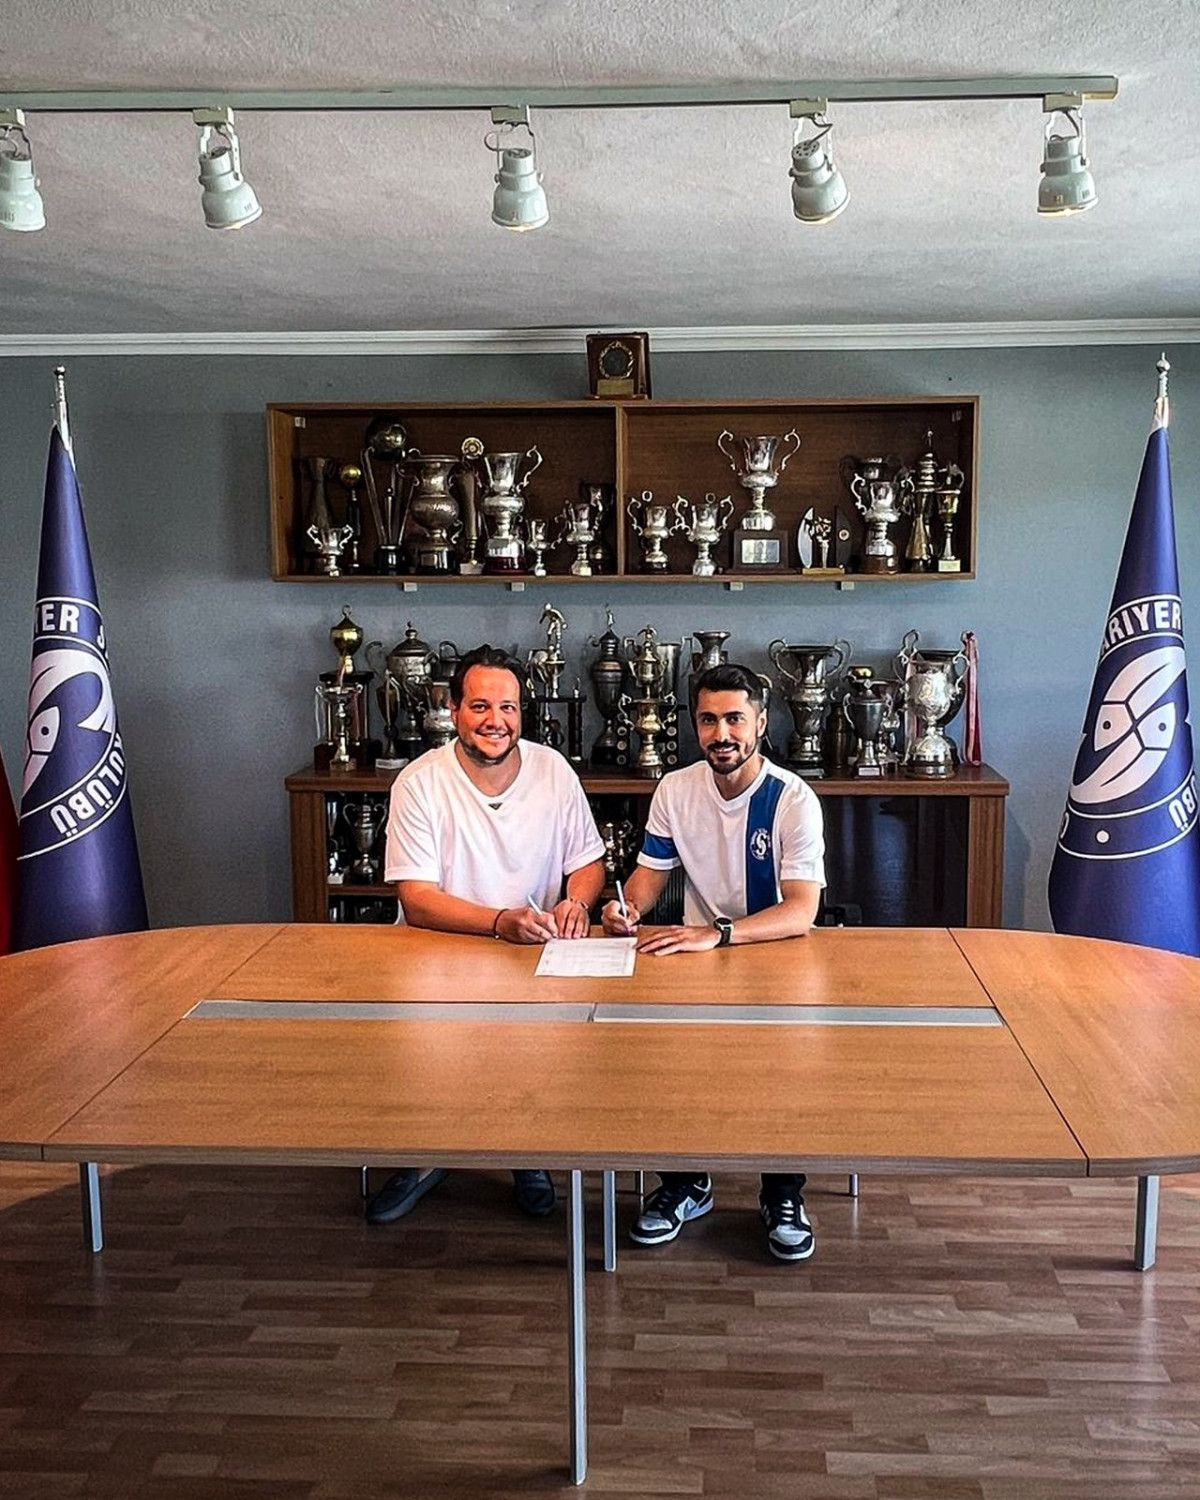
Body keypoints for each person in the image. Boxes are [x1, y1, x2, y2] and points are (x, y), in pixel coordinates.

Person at [367, 644, 606, 1226]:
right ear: (453, 710)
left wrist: (577, 902)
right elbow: (417, 899)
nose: (495, 720)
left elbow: (587, 861)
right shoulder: (420, 782)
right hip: (439, 956)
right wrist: (500, 922)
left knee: (532, 1069)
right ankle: (425, 1159)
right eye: (479, 706)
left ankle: (526, 1156)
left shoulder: (553, 770)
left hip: (535, 954)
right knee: (435, 1073)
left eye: (508, 707)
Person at [602, 663, 826, 1262]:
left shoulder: (792, 799)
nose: (721, 734)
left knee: (781, 1068)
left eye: (734, 719)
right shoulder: (676, 789)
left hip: (773, 952)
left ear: (760, 722)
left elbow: (801, 911)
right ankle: (686, 1184)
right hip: (699, 957)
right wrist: (625, 909)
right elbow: (649, 877)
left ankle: (782, 1193)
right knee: (670, 1058)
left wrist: (718, 934)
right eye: (708, 720)